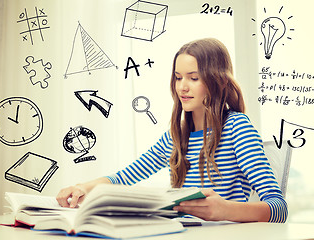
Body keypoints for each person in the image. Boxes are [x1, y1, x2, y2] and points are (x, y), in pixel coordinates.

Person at [57, 38, 288, 223]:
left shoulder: (237, 128)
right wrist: (82, 188)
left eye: (194, 78)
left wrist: (225, 210)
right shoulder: (176, 136)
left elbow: (278, 208)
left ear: (219, 81)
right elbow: (124, 177)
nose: (182, 87)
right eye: (178, 78)